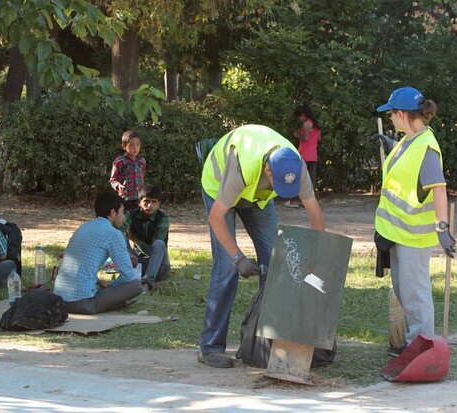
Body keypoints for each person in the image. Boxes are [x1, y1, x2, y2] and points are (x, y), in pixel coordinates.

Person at [199, 124, 326, 368]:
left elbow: (316, 216)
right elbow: (216, 217)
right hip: (219, 190)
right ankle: (210, 347)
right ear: (268, 169)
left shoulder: (295, 165)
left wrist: (313, 257)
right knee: (226, 268)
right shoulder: (242, 166)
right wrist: (238, 258)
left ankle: (267, 343)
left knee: (275, 263)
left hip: (257, 197)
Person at [374, 86, 456, 357]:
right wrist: (390, 147)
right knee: (403, 290)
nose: (390, 119)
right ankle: (414, 344)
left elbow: (439, 188)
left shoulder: (426, 147)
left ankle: (422, 350)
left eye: (391, 115)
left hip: (414, 236)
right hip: (398, 233)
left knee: (415, 293)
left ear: (401, 114)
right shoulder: (408, 140)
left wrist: (442, 228)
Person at [53, 192, 144, 314]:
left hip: (59, 300)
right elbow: (128, 276)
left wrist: (100, 282)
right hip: (83, 303)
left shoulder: (84, 227)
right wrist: (111, 286)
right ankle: (117, 302)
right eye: (122, 212)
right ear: (113, 213)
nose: (124, 217)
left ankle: (116, 300)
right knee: (136, 285)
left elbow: (80, 266)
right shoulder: (113, 233)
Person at [119, 184, 171, 292]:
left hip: (158, 267)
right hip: (138, 262)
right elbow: (118, 231)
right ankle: (130, 276)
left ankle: (147, 284)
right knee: (120, 236)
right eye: (146, 201)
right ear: (139, 203)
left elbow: (151, 251)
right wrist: (129, 252)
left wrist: (133, 238)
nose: (149, 205)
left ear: (159, 204)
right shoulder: (131, 215)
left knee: (159, 244)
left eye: (154, 202)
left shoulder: (163, 220)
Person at [286, 103, 321, 207]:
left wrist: (297, 135)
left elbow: (305, 138)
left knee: (297, 177)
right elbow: (319, 139)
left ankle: (293, 200)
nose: (299, 119)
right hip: (313, 154)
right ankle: (310, 202)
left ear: (303, 114)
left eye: (299, 116)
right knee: (311, 180)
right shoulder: (315, 124)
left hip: (304, 154)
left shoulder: (306, 124)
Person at [110, 130, 146, 211]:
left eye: (137, 144)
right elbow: (113, 179)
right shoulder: (119, 161)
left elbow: (142, 176)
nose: (135, 148)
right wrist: (118, 186)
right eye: (131, 145)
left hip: (139, 198)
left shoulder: (142, 161)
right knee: (125, 220)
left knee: (137, 220)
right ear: (124, 146)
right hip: (125, 198)